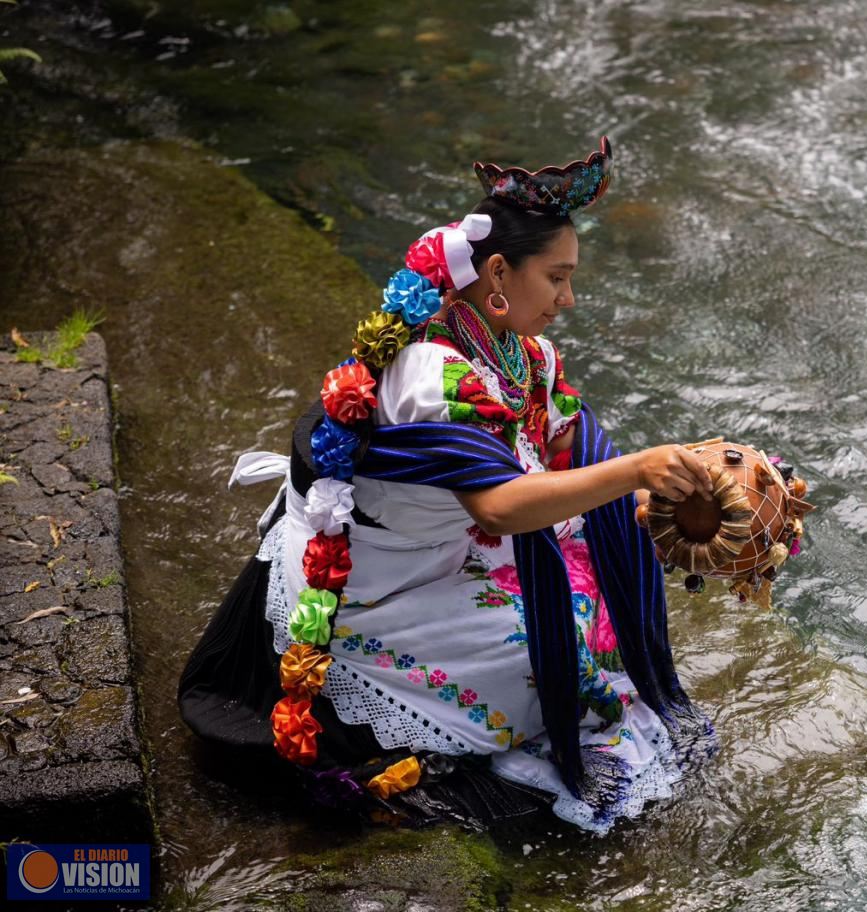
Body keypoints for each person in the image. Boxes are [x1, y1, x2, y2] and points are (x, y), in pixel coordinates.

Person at [179, 137, 717, 833]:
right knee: (559, 660)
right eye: (556, 278)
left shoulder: (523, 356)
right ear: (498, 275)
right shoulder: (435, 377)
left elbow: (555, 458)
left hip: (447, 549)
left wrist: (651, 503)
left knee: (595, 595)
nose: (569, 299)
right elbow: (497, 503)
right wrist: (635, 469)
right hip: (379, 585)